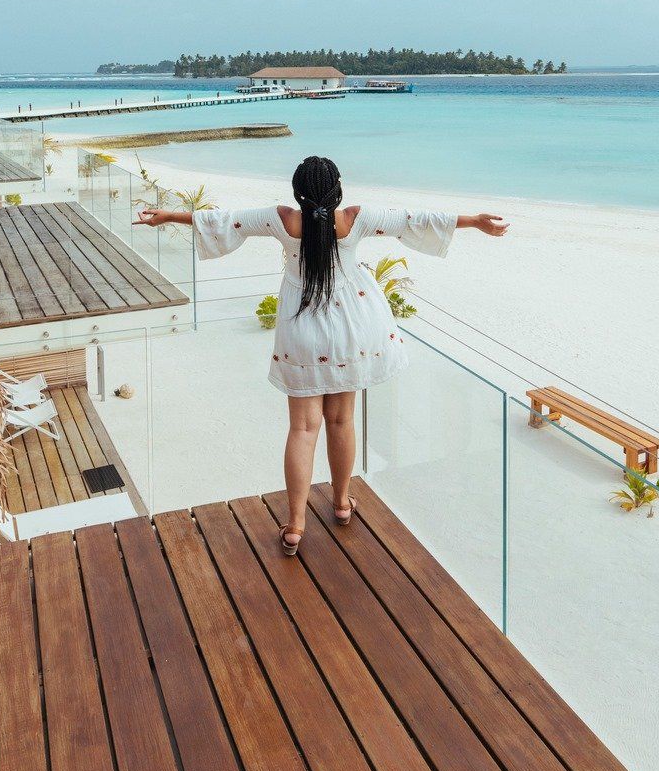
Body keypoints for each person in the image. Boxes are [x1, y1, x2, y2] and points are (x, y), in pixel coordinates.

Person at [136, 154, 507, 554]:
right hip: (351, 330)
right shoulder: (355, 218)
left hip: (301, 331)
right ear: (339, 189)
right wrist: (474, 221)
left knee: (303, 428)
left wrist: (168, 216)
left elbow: (226, 220)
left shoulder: (282, 219)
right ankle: (342, 504)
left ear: (297, 192)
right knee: (342, 420)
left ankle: (295, 525)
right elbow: (414, 219)